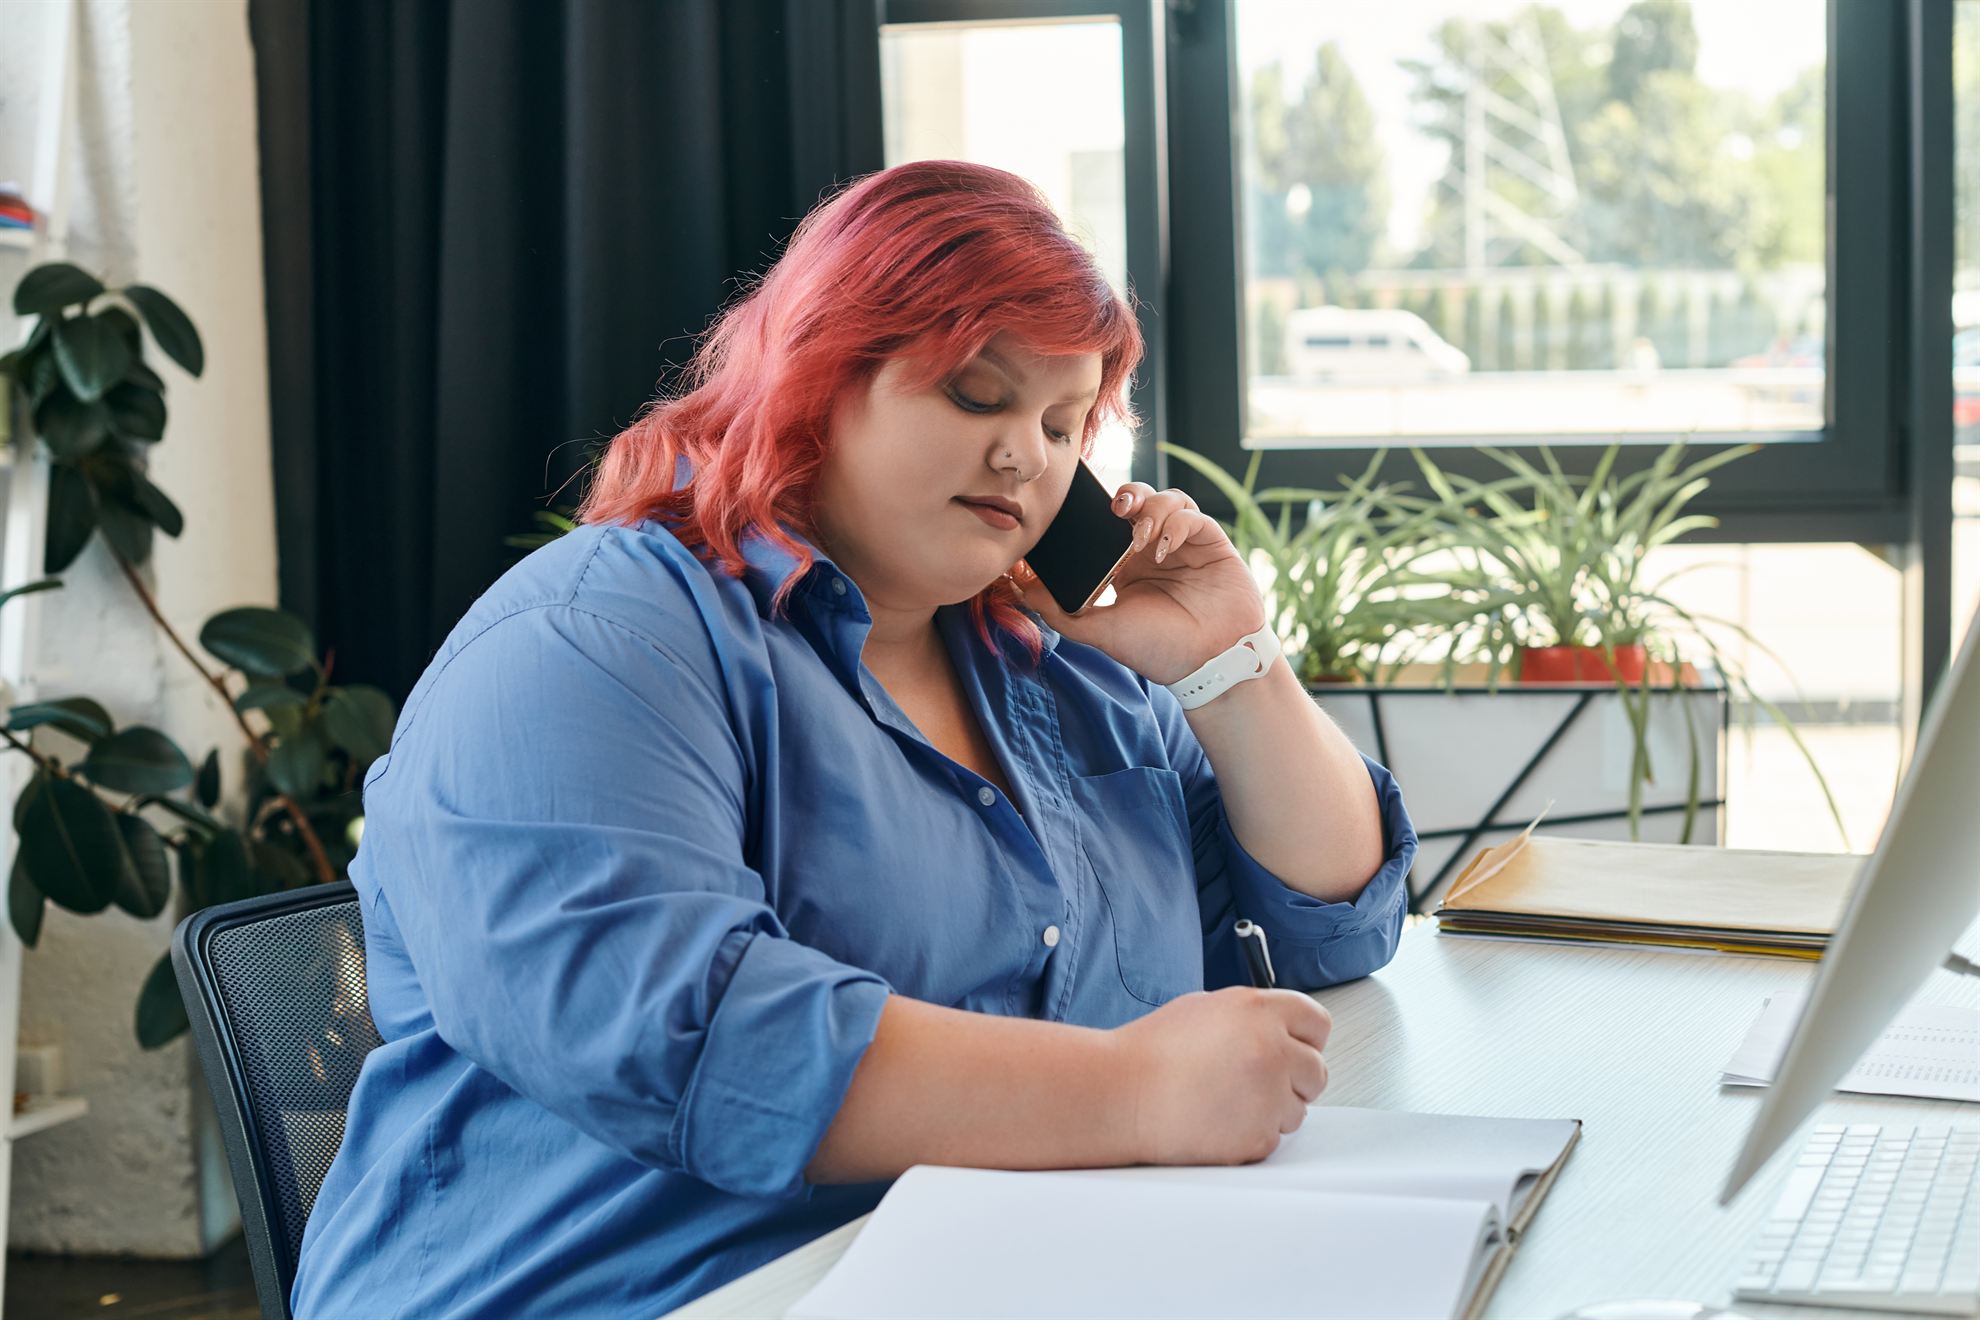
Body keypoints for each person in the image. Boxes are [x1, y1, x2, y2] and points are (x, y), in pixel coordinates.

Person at [291, 160, 1417, 1319]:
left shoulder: (1065, 662)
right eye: (977, 397)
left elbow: (1332, 920)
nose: (1027, 457)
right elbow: (696, 1040)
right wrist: (1132, 1091)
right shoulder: (589, 641)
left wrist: (1231, 664)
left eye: (1062, 422)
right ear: (817, 379)